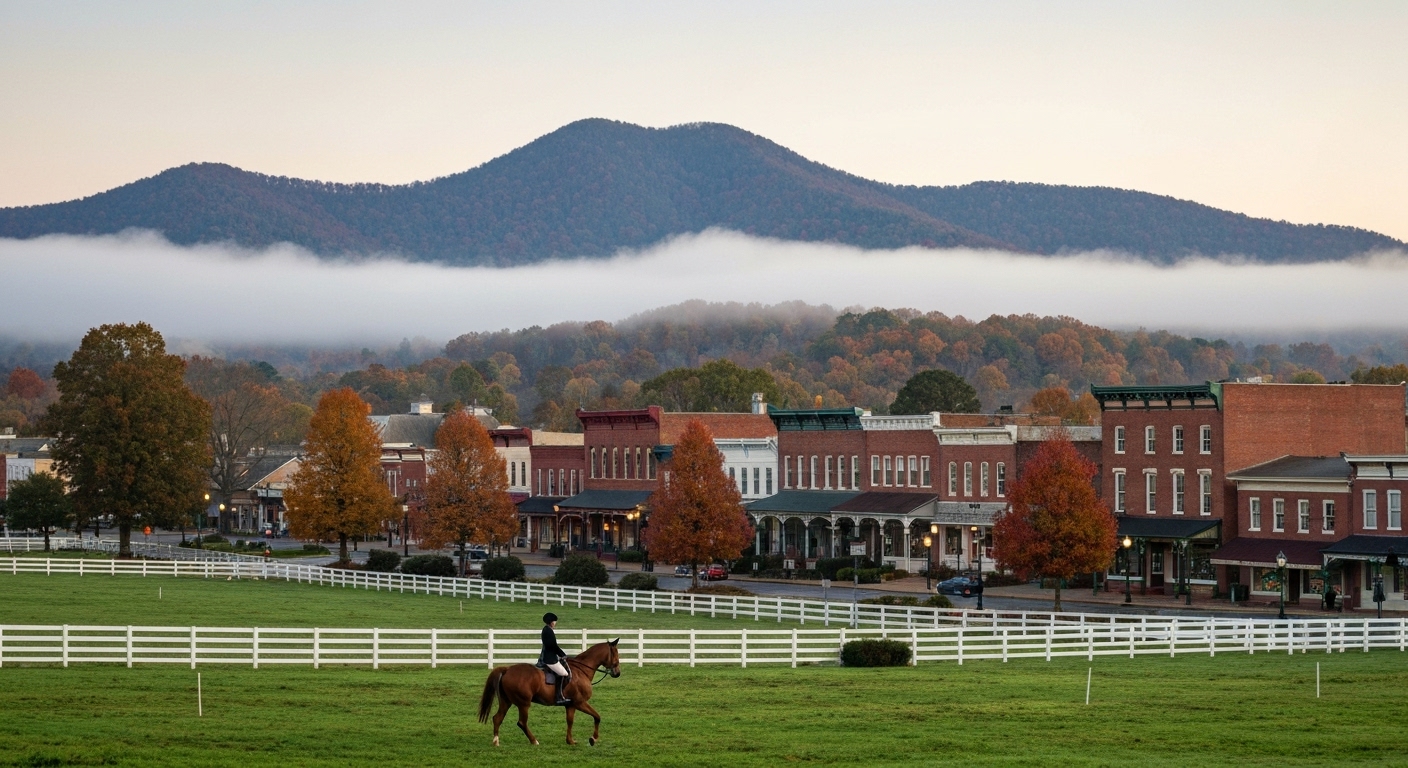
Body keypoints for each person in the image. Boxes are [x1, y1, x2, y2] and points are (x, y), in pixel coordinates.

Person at [540, 612, 571, 705]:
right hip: (550, 659)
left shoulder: (546, 629)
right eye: (554, 621)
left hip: (549, 656)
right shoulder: (548, 631)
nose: (555, 623)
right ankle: (558, 696)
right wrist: (562, 654)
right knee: (564, 674)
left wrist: (561, 654)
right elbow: (553, 646)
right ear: (551, 622)